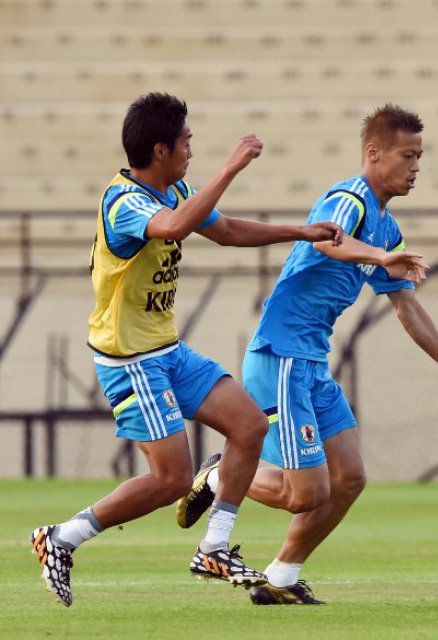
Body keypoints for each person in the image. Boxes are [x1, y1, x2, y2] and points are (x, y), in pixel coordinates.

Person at [30, 92, 344, 607]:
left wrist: (301, 231)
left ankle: (214, 547)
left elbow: (224, 229)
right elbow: (174, 226)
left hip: (166, 350)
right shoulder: (125, 201)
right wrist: (232, 167)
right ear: (160, 150)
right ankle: (62, 538)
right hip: (130, 362)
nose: (190, 152)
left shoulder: (174, 187)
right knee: (172, 479)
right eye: (186, 143)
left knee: (249, 426)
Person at [176, 104, 438, 604]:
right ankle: (219, 473)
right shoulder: (349, 198)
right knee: (306, 493)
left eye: (420, 156)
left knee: (349, 479)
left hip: (311, 363)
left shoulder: (386, 227)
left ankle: (279, 580)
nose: (416, 167)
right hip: (281, 358)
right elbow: (328, 243)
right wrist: (380, 256)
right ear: (373, 153)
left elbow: (407, 308)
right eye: (407, 155)